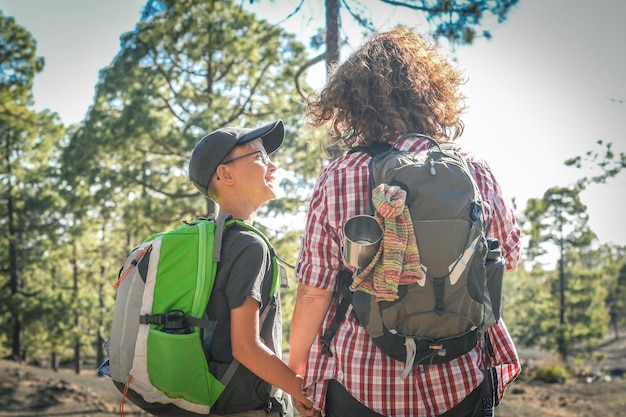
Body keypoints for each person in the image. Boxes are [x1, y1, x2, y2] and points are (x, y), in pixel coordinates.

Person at [288, 27, 522, 417]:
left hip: (361, 379)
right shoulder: (474, 170)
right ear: (434, 95)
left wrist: (297, 371)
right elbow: (508, 254)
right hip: (460, 374)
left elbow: (315, 292)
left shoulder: (341, 174)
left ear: (351, 102)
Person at [188, 120, 319, 417]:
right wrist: (301, 391)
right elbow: (245, 346)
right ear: (225, 173)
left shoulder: (210, 240)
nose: (273, 167)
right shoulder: (249, 246)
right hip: (244, 408)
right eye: (260, 157)